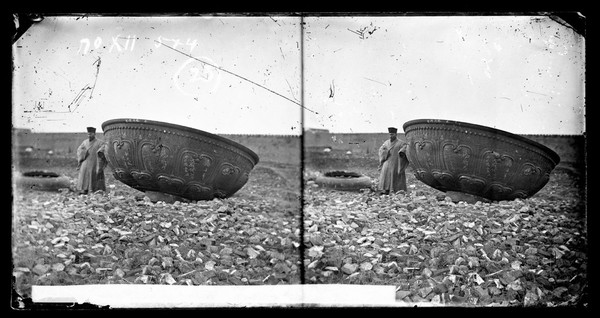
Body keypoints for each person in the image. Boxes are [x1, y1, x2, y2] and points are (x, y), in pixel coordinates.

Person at [76, 127, 109, 194]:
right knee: (83, 173)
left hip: (95, 162)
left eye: (91, 134)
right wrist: (83, 152)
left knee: (95, 174)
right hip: (86, 161)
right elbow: (79, 150)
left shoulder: (100, 143)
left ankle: (96, 190)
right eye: (88, 134)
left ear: (94, 134)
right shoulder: (84, 142)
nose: (89, 136)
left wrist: (101, 152)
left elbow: (104, 150)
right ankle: (84, 189)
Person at [377, 127, 409, 195]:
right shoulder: (386, 143)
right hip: (387, 161)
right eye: (390, 134)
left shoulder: (401, 143)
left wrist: (402, 152)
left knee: (396, 175)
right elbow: (381, 150)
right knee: (385, 174)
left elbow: (405, 148)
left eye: (392, 134)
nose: (391, 136)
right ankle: (386, 189)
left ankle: (397, 190)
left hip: (396, 162)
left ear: (396, 134)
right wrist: (384, 152)